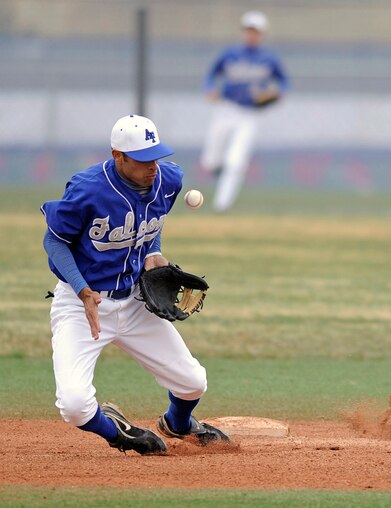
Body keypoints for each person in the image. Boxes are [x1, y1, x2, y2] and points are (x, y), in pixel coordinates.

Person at [41, 114, 231, 455]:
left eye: (155, 156)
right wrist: (82, 290)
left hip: (134, 301)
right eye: (143, 160)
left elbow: (151, 220)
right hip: (83, 305)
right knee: (74, 405)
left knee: (192, 383)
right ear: (118, 157)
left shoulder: (168, 180)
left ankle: (179, 423)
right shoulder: (87, 190)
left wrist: (153, 250)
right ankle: (119, 434)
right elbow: (55, 242)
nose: (152, 166)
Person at [201, 10, 289, 213]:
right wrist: (209, 89)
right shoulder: (231, 54)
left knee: (235, 161)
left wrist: (278, 93)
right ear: (244, 32)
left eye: (255, 31)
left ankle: (221, 205)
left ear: (262, 34)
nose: (252, 34)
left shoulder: (268, 58)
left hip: (250, 114)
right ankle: (218, 173)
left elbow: (284, 81)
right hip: (226, 108)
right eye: (249, 30)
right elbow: (212, 74)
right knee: (211, 160)